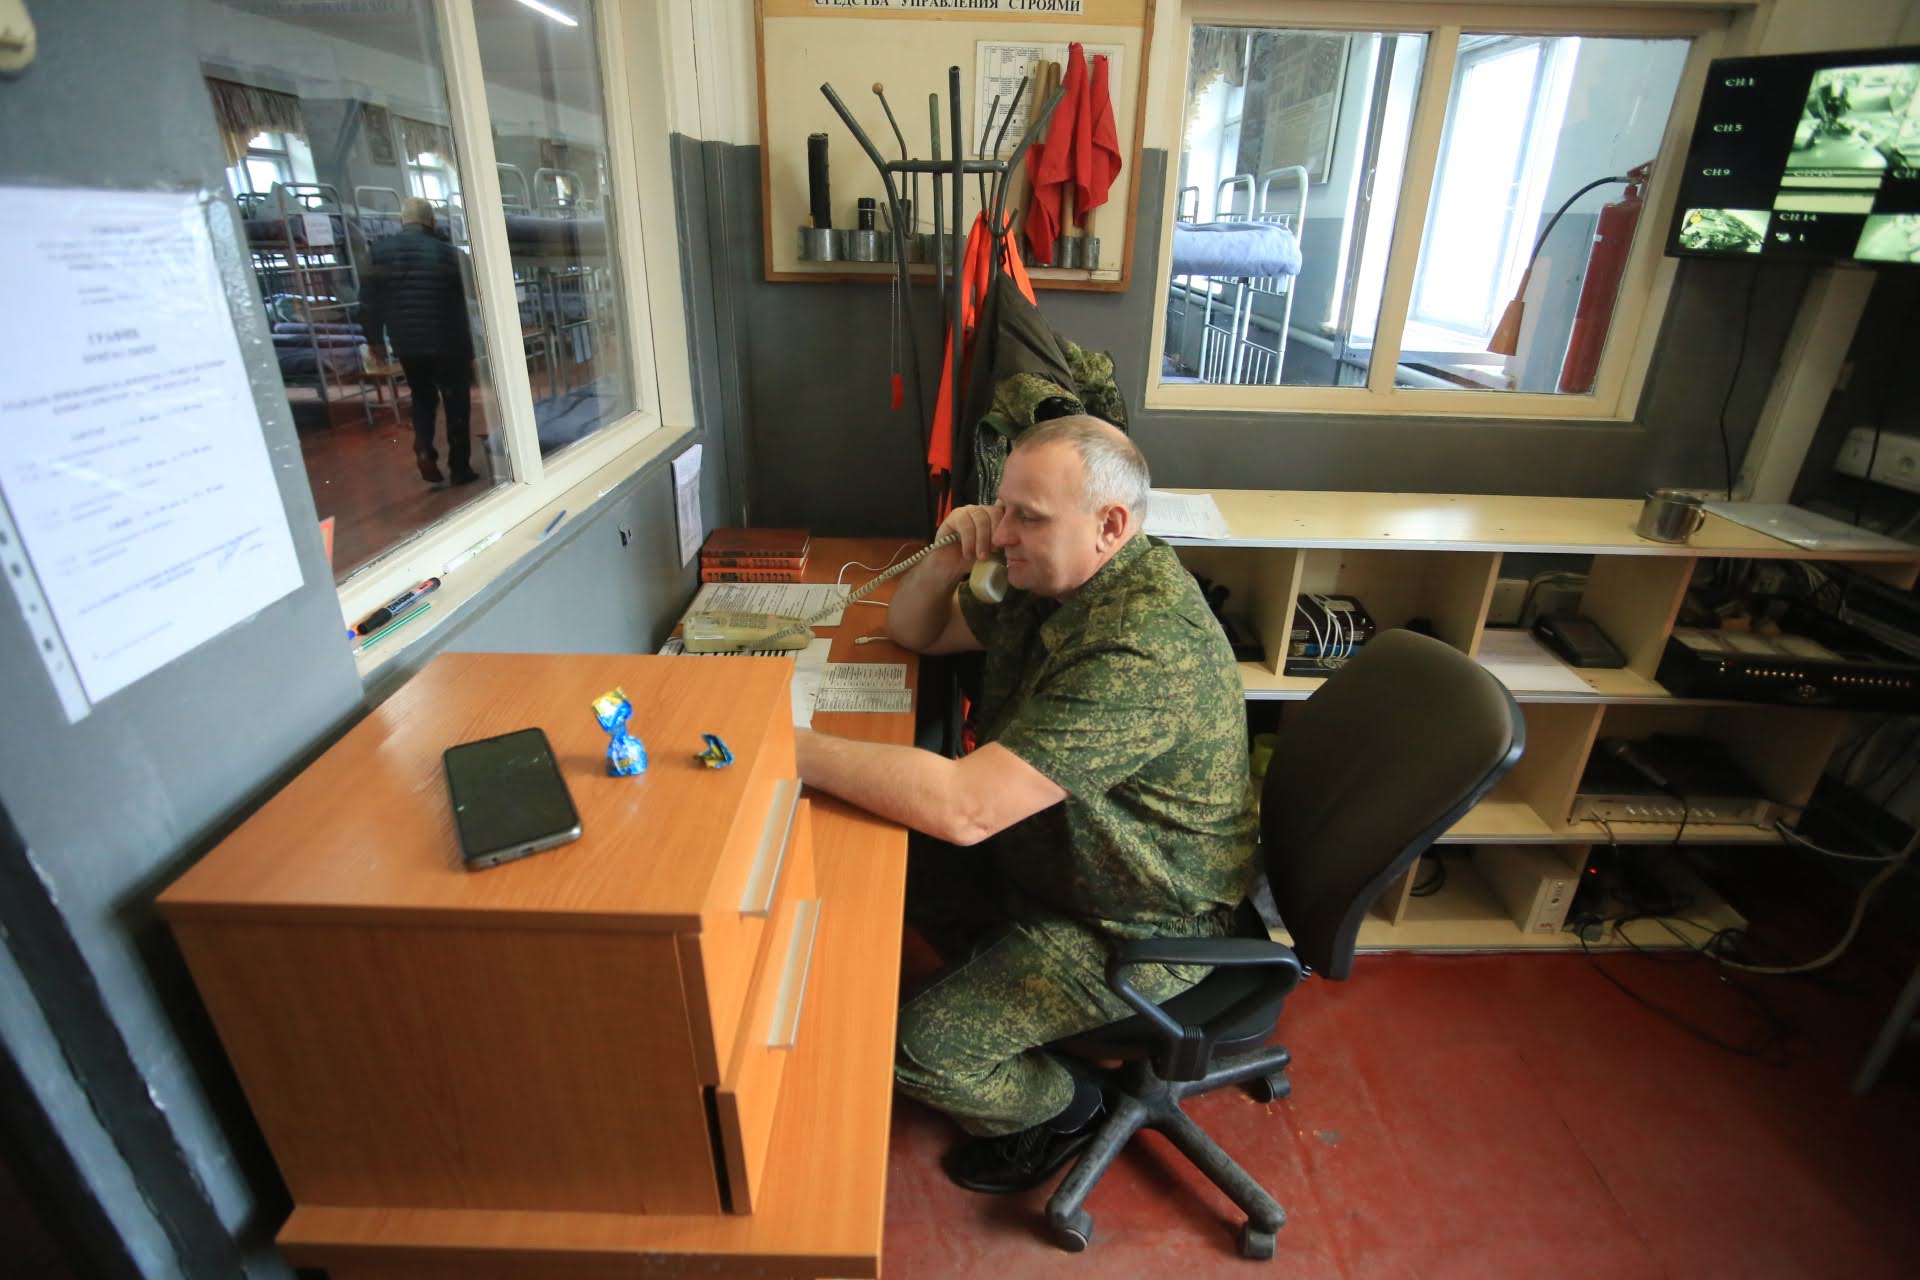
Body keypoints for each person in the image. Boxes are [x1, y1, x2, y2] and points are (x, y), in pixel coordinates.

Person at [795, 416, 1258, 1194]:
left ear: (1110, 525)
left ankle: (1066, 1107)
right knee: (879, 861)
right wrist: (947, 557)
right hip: (1057, 856)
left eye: (1028, 516)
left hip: (1138, 919)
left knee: (916, 1050)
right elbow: (914, 631)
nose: (1003, 531)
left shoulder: (1142, 646)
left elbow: (966, 810)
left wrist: (791, 748)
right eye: (1001, 506)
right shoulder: (1056, 580)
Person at [360, 197, 477, 485]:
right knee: (456, 402)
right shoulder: (450, 254)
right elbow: (473, 296)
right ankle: (459, 467)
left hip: (407, 342)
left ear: (402, 221)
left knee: (422, 398)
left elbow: (368, 305)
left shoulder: (378, 253)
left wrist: (375, 341)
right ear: (432, 222)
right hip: (449, 341)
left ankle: (424, 447)